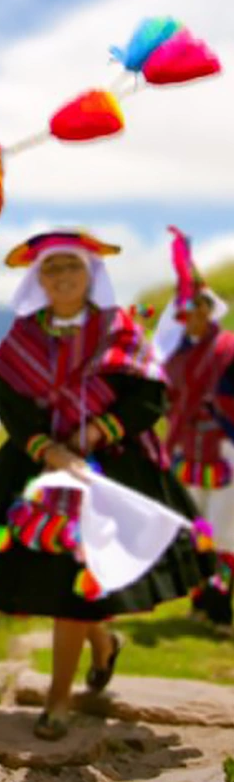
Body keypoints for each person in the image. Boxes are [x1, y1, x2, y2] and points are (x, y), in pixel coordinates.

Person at [0, 230, 208, 741]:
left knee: (80, 578)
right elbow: (13, 408)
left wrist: (94, 432)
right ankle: (103, 643)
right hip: (38, 467)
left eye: (72, 266)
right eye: (51, 269)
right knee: (65, 583)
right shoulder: (21, 340)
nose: (62, 277)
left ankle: (58, 701)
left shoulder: (120, 330)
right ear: (38, 279)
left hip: (111, 469)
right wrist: (51, 450)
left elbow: (149, 399)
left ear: (90, 274)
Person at [154, 227, 234, 631]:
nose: (194, 317)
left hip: (225, 446)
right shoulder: (172, 359)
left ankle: (222, 603)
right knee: (193, 523)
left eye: (200, 308)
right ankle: (202, 599)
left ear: (210, 308)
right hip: (186, 445)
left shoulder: (229, 349)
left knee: (224, 526)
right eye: (186, 312)